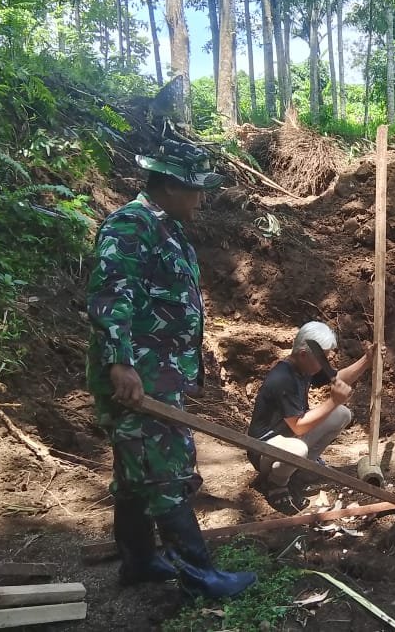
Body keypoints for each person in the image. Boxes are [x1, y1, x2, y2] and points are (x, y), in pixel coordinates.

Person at [87, 140, 256, 598]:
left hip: (156, 374)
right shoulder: (130, 226)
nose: (201, 198)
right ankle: (200, 576)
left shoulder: (169, 230)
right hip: (139, 378)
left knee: (133, 471)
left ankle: (139, 562)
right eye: (194, 189)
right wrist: (120, 362)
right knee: (168, 472)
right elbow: (110, 297)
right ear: (167, 186)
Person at [247, 321, 377, 514]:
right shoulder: (282, 378)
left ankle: (302, 468)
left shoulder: (304, 367)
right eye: (322, 357)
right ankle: (276, 484)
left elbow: (337, 377)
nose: (326, 361)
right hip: (264, 449)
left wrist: (367, 360)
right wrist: (333, 401)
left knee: (342, 414)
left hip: (288, 438)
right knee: (299, 449)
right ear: (303, 354)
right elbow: (299, 427)